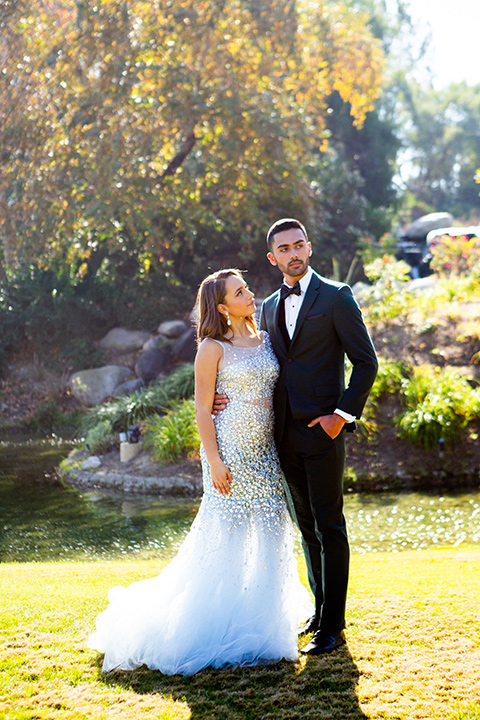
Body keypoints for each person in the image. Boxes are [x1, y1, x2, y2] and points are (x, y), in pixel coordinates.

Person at [87, 268, 312, 676]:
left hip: (266, 452)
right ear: (222, 306)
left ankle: (264, 624)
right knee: (223, 536)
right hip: (230, 452)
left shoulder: (264, 337)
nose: (250, 294)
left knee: (270, 529)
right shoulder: (211, 347)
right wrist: (214, 461)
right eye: (240, 292)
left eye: (247, 287)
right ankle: (207, 623)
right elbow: (203, 409)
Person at [259, 218, 378, 655]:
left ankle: (334, 626)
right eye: (283, 249)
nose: (293, 254)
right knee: (305, 526)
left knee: (330, 525)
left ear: (309, 248)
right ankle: (319, 610)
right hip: (283, 435)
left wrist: (341, 416)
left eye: (298, 245)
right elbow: (266, 367)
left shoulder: (336, 296)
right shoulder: (268, 306)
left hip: (323, 432)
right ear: (273, 258)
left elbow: (367, 363)